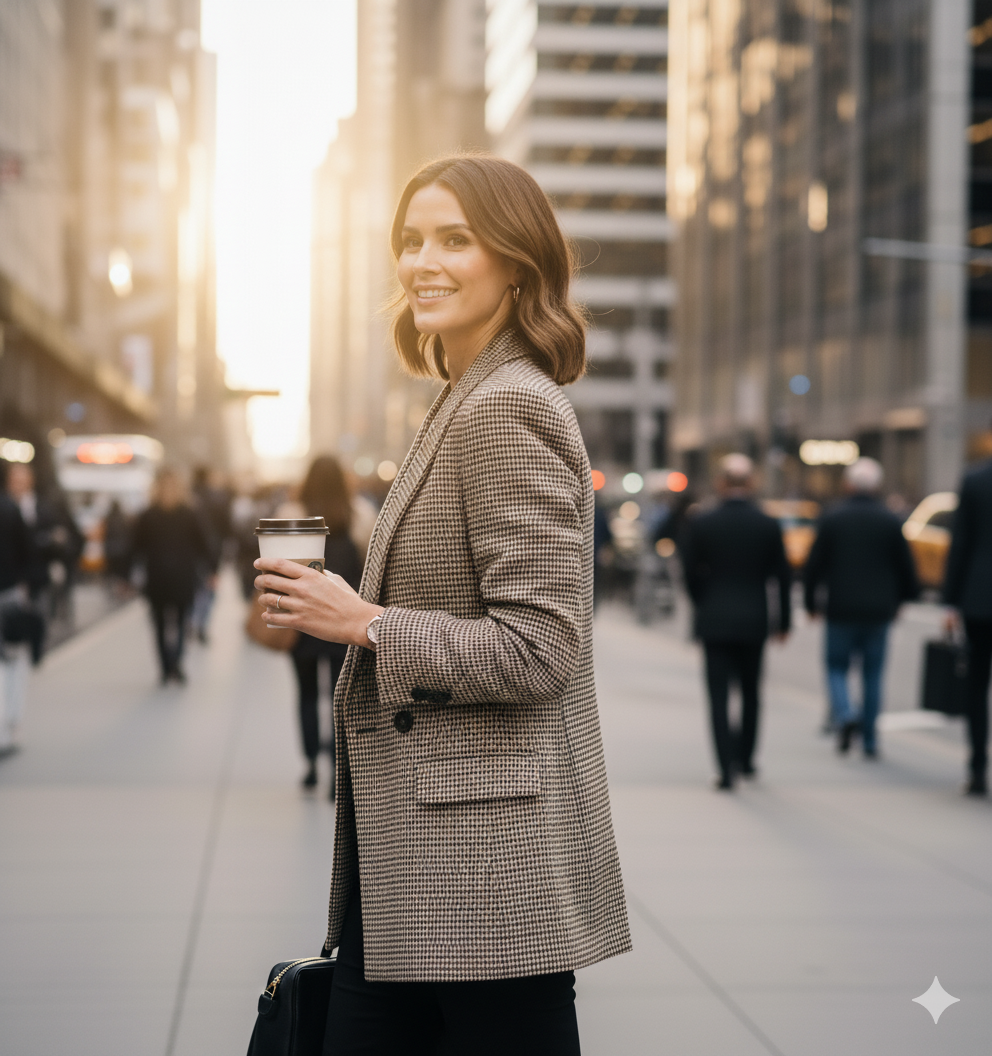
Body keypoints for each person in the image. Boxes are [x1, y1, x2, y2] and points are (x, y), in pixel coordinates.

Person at [254, 154, 630, 1055]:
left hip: (482, 878)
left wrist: (365, 622)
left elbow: (541, 647)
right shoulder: (462, 398)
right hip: (423, 865)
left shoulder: (506, 408)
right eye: (411, 239)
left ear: (517, 263)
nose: (422, 261)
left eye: (455, 240)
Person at [680, 454, 791, 789]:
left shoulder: (703, 522)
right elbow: (781, 577)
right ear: (751, 482)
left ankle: (724, 766)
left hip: (715, 618)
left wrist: (704, 601)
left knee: (718, 695)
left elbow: (689, 573)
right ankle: (746, 758)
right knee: (751, 692)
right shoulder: (767, 523)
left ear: (721, 482)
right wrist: (783, 622)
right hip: (754, 618)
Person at [803, 458, 918, 759]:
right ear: (877, 486)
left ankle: (845, 713)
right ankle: (869, 739)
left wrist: (811, 602)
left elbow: (814, 564)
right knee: (873, 674)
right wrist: (903, 599)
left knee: (836, 667)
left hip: (841, 607)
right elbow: (905, 566)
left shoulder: (833, 517)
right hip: (878, 610)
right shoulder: (889, 519)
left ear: (848, 484)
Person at [291, 456, 363, 798]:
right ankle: (337, 772)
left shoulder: (294, 513)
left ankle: (309, 766)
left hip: (302, 620)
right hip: (342, 621)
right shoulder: (357, 514)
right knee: (339, 698)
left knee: (306, 694)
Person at [131, 468, 212, 684]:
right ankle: (165, 667)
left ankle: (177, 663)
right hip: (157, 578)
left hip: (183, 577)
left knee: (182, 622)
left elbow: (204, 543)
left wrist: (212, 570)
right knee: (159, 624)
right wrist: (126, 575)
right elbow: (136, 546)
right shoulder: (148, 515)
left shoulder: (189, 514)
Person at [942, 446, 992, 796]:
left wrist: (950, 602)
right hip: (979, 598)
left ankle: (977, 769)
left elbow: (960, 543)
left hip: (979, 598)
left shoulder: (975, 481)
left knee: (976, 685)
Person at [0, 463, 35, 754]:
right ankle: (9, 727)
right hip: (10, 593)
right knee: (11, 661)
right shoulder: (10, 509)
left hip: (9, 592)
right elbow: (28, 554)